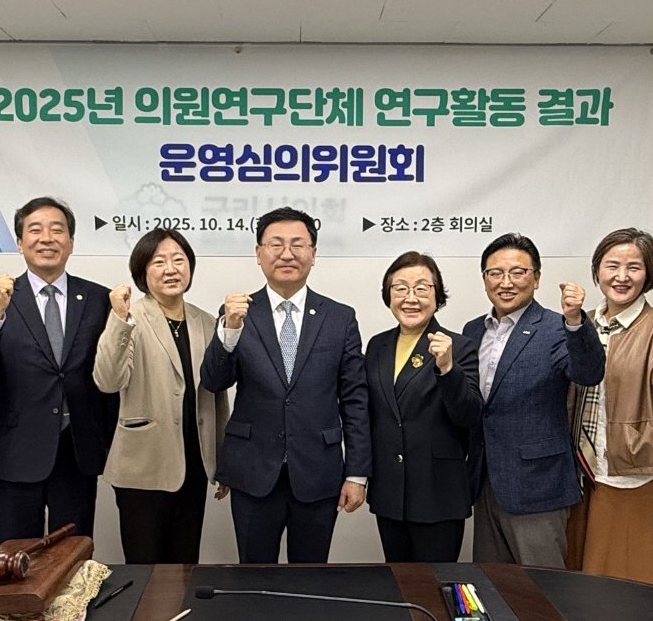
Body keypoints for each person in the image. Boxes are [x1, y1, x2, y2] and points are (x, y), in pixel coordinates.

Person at [201, 206, 371, 563]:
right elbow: (215, 380)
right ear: (258, 252)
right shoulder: (237, 311)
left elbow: (355, 399)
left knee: (310, 578)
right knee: (254, 575)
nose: (287, 254)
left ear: (313, 253)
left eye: (298, 244)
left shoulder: (340, 317)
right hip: (252, 472)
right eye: (276, 244)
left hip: (318, 472)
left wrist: (357, 473)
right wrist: (229, 329)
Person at [0, 197, 118, 542]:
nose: (47, 238)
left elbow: (108, 378)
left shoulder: (97, 299)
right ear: (19, 242)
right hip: (16, 452)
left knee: (73, 555)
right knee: (16, 556)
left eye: (57, 230)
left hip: (78, 452)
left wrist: (105, 442)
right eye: (35, 230)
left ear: (71, 242)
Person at [564, 228, 653, 585]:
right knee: (576, 576)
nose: (622, 276)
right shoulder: (580, 323)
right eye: (612, 266)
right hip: (578, 472)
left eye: (634, 267)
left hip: (631, 470)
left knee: (625, 582)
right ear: (597, 270)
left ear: (649, 273)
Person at [463, 232, 605, 567]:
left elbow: (588, 372)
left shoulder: (556, 327)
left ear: (537, 278)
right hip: (485, 481)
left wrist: (575, 321)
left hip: (538, 484)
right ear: (484, 279)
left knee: (543, 587)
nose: (506, 282)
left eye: (518, 272)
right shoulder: (473, 330)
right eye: (495, 273)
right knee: (492, 583)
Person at [94, 228, 230, 563]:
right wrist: (119, 319)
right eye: (159, 262)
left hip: (194, 464)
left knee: (184, 566)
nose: (171, 269)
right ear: (142, 271)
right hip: (142, 466)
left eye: (178, 260)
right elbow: (107, 381)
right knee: (144, 567)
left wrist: (223, 461)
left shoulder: (206, 322)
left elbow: (217, 397)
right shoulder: (129, 319)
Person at [364, 251, 482, 562]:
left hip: (438, 493)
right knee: (399, 581)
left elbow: (469, 415)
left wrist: (448, 368)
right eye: (400, 288)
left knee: (437, 584)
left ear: (437, 295)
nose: (411, 298)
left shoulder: (458, 345)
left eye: (421, 288)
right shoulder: (377, 346)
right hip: (390, 492)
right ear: (388, 295)